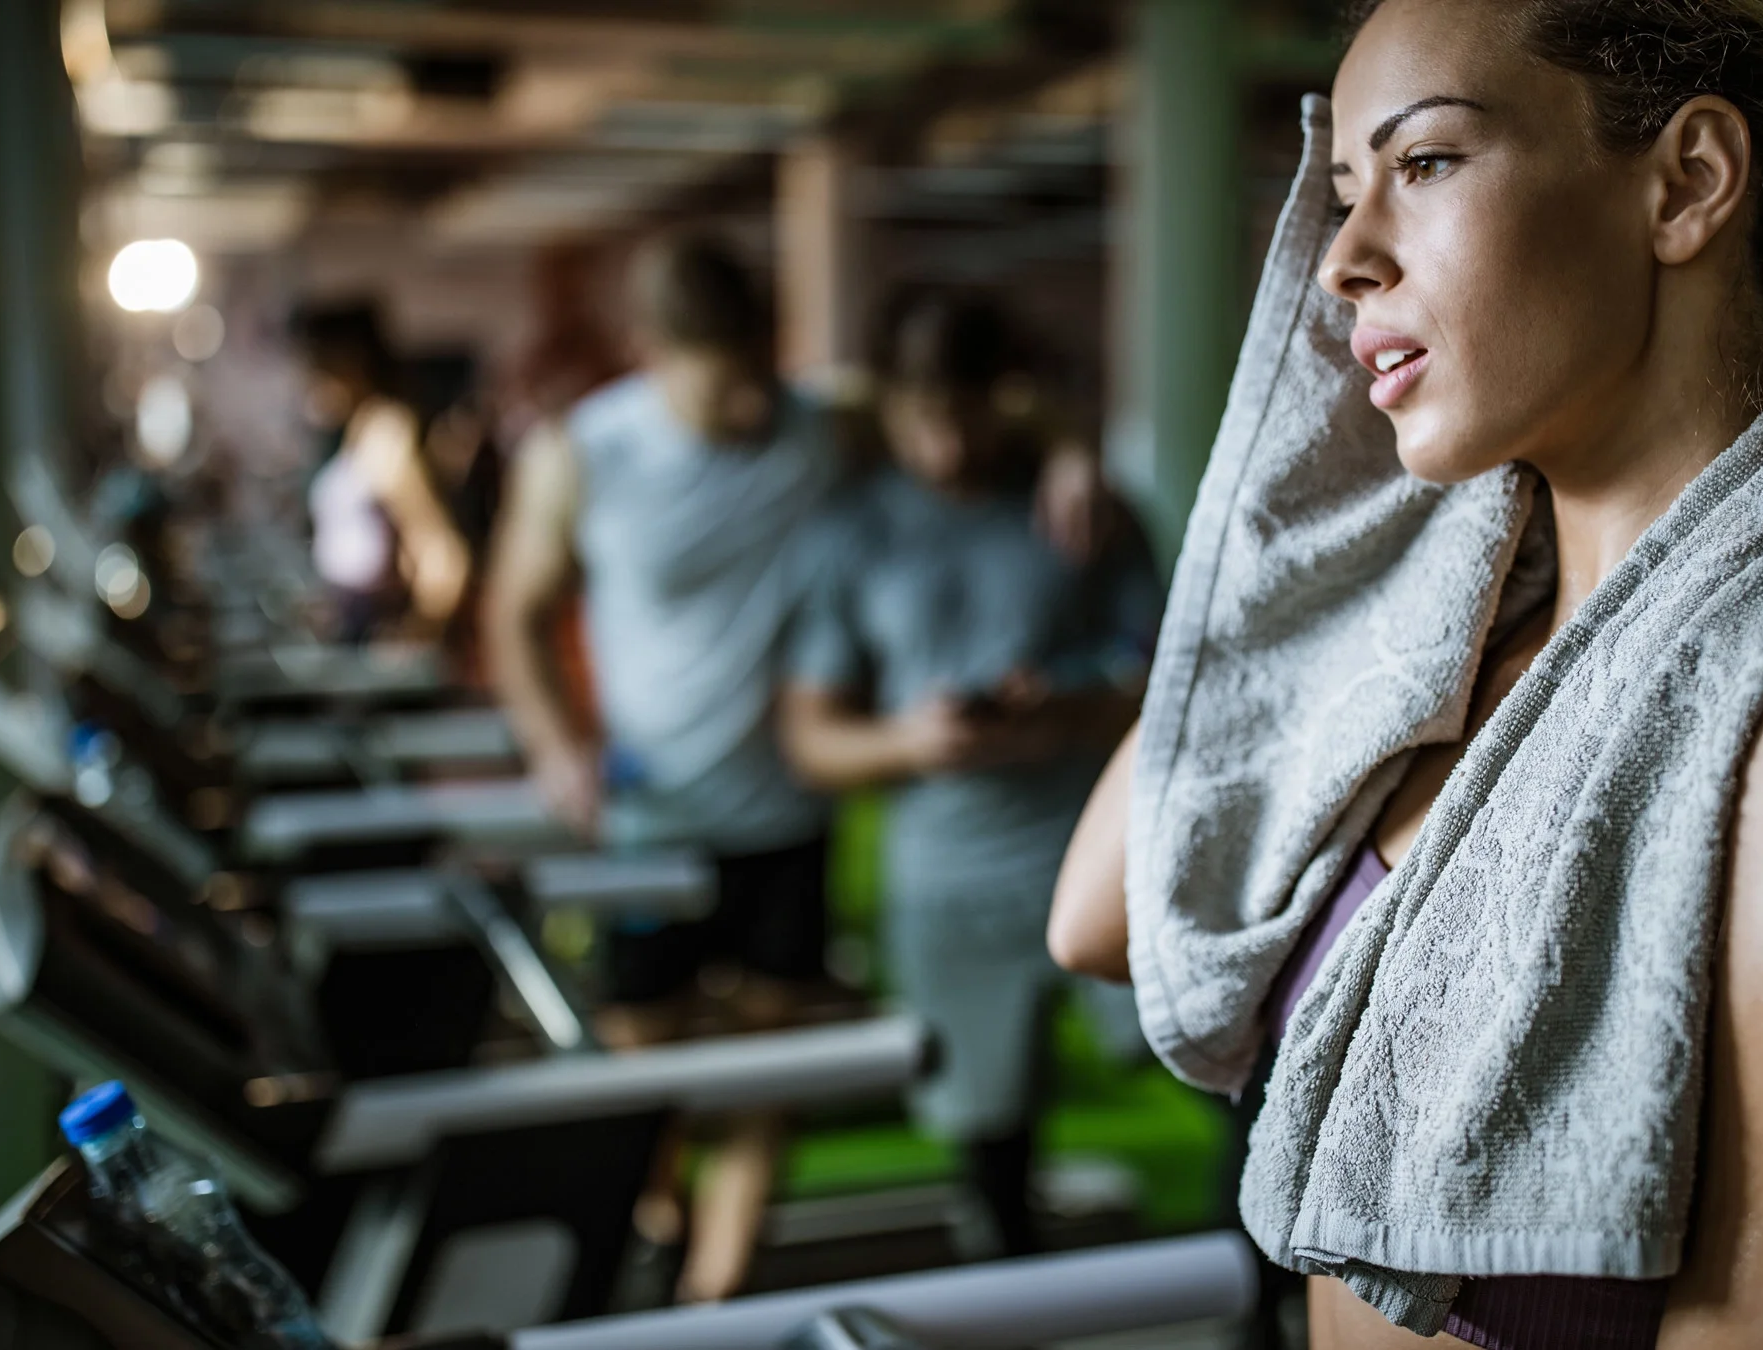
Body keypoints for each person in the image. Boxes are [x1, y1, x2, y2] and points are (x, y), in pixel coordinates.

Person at [1048, 3, 1763, 1348]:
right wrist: (1307, 529)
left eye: (1429, 163)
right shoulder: (1452, 651)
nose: (1341, 259)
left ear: (1685, 182)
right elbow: (1104, 915)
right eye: (1343, 194)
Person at [482, 235, 1119, 1301]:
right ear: (655, 355)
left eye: (758, 366)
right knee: (648, 1058)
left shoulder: (820, 419)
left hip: (783, 810)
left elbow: (982, 406)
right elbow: (514, 609)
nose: (749, 399)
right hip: (655, 809)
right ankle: (666, 1224)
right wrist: (556, 746)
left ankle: (714, 1292)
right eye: (722, 379)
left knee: (767, 1060)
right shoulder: (588, 454)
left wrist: (1070, 455)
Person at [778, 295, 1160, 1259]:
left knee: (1218, 1071)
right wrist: (914, 743)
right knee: (988, 1149)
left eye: (963, 416)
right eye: (920, 421)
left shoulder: (1080, 505)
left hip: (1097, 856)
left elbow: (1185, 683)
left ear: (1005, 398)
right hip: (946, 880)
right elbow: (811, 739)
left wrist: (1064, 711)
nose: (944, 447)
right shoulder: (850, 531)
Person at [296, 304, 472, 644]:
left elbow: (442, 554)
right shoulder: (360, 427)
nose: (311, 382)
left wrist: (417, 635)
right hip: (352, 616)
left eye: (321, 368)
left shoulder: (389, 432)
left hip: (379, 624)